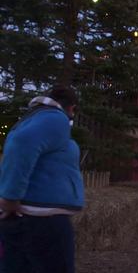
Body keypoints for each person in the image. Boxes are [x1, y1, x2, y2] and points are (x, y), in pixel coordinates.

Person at [0, 86, 85, 273]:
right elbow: (21, 144)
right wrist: (10, 197)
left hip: (27, 217)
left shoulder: (35, 119)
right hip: (43, 220)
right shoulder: (55, 118)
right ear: (71, 107)